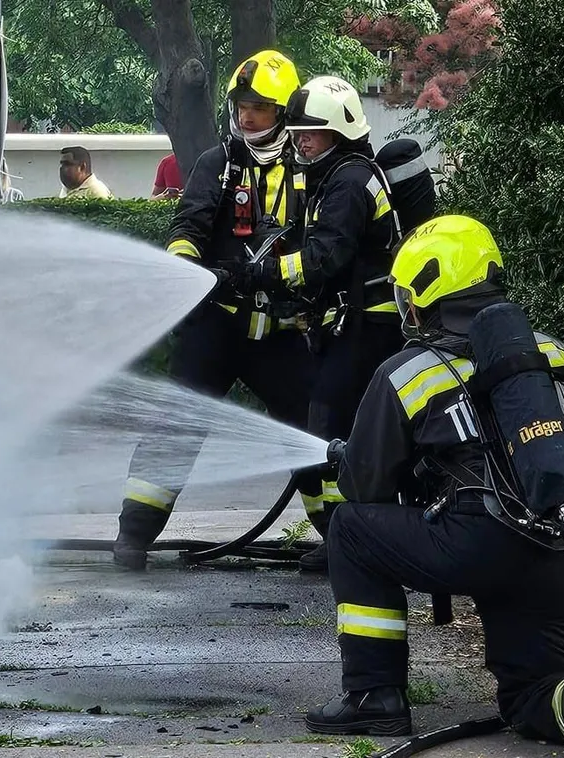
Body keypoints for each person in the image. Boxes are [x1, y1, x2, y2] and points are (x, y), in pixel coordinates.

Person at [305, 215, 564, 753]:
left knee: (351, 529)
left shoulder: (408, 372)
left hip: (474, 543)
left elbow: (363, 487)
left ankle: (374, 696)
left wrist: (357, 456)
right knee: (532, 697)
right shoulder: (559, 357)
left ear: (424, 292)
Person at [113, 50, 320, 571]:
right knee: (175, 427)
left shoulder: (309, 167)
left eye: (260, 108)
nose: (247, 116)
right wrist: (192, 276)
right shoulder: (217, 163)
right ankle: (133, 536)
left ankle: (341, 538)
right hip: (218, 324)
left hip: (279, 331)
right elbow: (188, 227)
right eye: (241, 105)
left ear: (285, 111)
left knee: (312, 430)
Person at [237, 75, 404, 572]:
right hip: (353, 322)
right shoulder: (336, 175)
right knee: (339, 423)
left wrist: (268, 271)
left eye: (313, 132)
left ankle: (346, 540)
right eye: (300, 130)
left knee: (328, 419)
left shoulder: (349, 181)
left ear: (340, 132)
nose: (301, 139)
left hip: (369, 324)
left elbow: (325, 257)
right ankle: (353, 532)